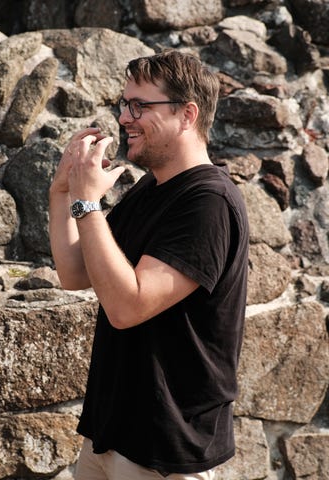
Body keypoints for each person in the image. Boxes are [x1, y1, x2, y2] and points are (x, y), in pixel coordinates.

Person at [49, 49, 249, 480]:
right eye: (124, 104)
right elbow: (75, 273)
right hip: (110, 434)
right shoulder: (150, 189)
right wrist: (62, 193)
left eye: (140, 105)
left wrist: (87, 203)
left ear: (187, 114)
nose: (124, 118)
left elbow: (127, 307)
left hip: (164, 452)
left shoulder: (208, 202)